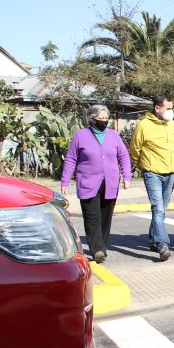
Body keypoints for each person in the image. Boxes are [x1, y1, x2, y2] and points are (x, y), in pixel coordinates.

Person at [61, 104, 131, 264]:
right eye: (101, 118)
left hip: (110, 183)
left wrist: (127, 177)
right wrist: (65, 181)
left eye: (106, 118)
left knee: (105, 218)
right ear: (92, 119)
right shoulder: (80, 136)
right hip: (87, 182)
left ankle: (101, 246)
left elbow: (124, 156)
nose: (104, 121)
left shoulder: (113, 135)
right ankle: (97, 250)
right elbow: (71, 159)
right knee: (92, 217)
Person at [129, 94, 174, 262]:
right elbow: (135, 148)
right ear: (157, 108)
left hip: (170, 172)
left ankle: (153, 239)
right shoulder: (144, 125)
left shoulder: (172, 124)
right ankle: (163, 244)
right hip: (152, 172)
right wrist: (142, 165)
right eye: (168, 108)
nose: (171, 111)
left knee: (161, 210)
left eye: (172, 108)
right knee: (158, 209)